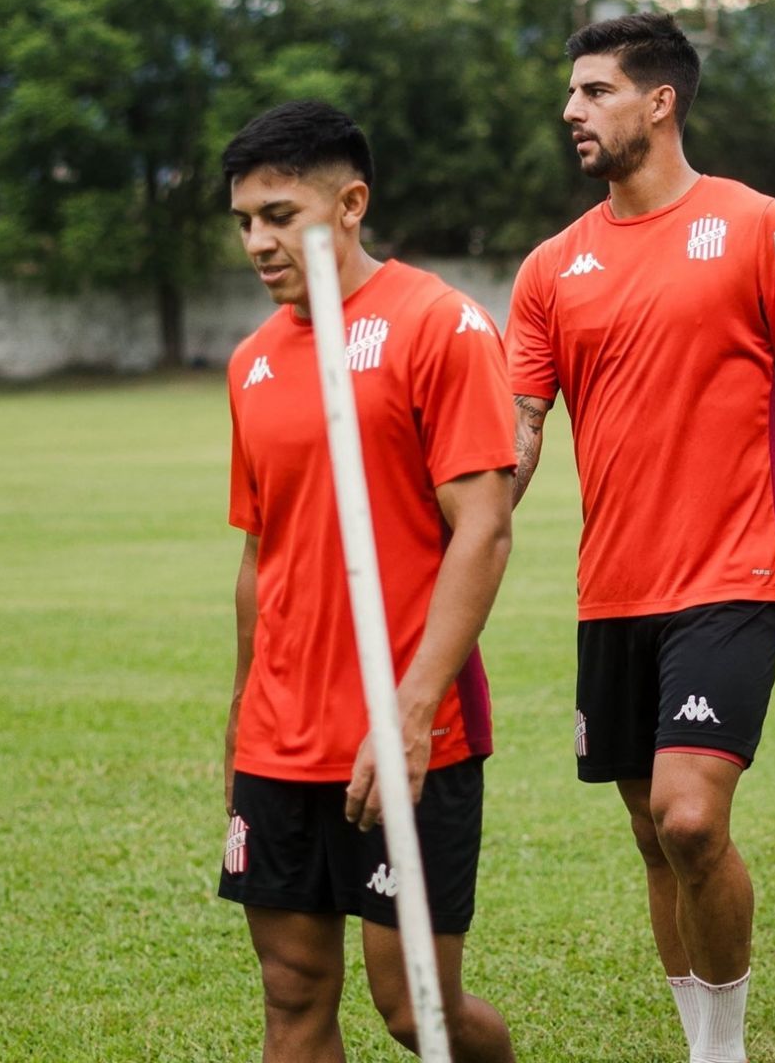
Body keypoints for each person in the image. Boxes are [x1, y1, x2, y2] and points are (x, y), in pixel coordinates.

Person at [505, 11, 775, 1063]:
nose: (571, 111)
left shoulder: (756, 227)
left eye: (594, 91)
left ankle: (723, 1050)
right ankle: (701, 1041)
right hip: (610, 589)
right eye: (571, 93)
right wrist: (448, 529)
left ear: (658, 102)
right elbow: (517, 434)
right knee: (652, 837)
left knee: (691, 818)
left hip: (731, 575)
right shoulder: (549, 268)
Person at [218, 99, 518, 1062]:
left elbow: (485, 527)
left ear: (351, 203)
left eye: (279, 214)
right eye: (245, 223)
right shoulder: (253, 362)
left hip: (408, 722)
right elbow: (259, 557)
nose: (259, 242)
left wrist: (412, 710)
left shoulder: (439, 325)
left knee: (415, 1007)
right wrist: (239, 717)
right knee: (292, 992)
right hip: (280, 735)